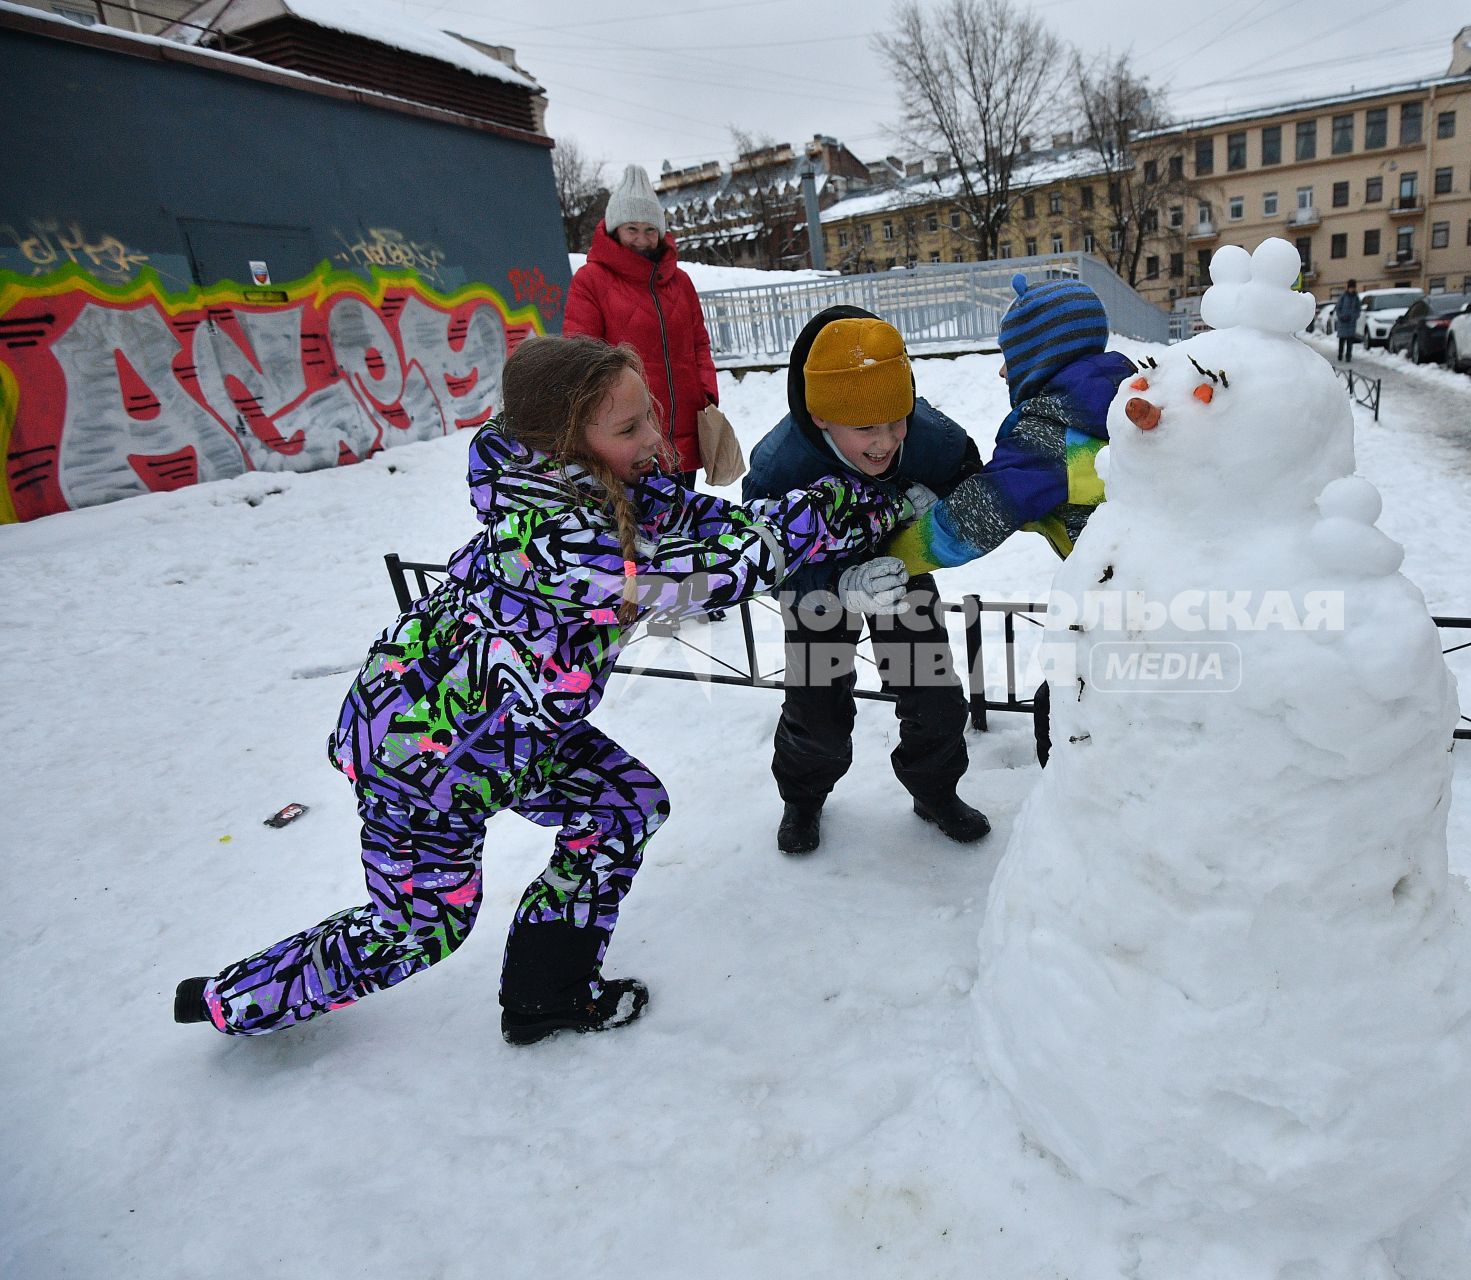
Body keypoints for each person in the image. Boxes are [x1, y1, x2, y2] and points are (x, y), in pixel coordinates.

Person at [172, 336, 912, 1046]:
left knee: (624, 806)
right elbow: (715, 570)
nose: (656, 436)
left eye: (648, 412)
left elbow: (706, 523)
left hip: (510, 729)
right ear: (566, 443)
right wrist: (873, 512)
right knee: (422, 929)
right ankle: (235, 1000)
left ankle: (544, 997)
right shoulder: (551, 544)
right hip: (423, 760)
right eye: (631, 426)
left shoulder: (609, 484)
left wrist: (866, 506)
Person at [743, 309, 990, 857]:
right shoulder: (781, 464)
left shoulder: (927, 435)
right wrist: (835, 586)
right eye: (866, 429)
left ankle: (934, 788)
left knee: (935, 695)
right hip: (819, 584)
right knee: (817, 708)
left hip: (900, 569)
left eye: (896, 421)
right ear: (822, 417)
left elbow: (973, 481)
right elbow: (764, 554)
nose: (886, 442)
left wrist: (936, 518)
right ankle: (803, 796)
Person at [884, 275, 1136, 766]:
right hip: (1179, 591)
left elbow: (970, 525)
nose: (1002, 371)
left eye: (1010, 353)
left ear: (1040, 356)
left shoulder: (1051, 431)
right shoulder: (1128, 398)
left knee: (1064, 713)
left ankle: (1071, 810)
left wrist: (892, 554)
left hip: (1122, 616)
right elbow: (1060, 495)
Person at [564, 164, 718, 485]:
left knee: (682, 521)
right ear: (615, 229)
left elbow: (699, 343)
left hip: (685, 429)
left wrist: (707, 394)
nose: (642, 239)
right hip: (628, 433)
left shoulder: (680, 282)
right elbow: (580, 358)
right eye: (632, 228)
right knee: (638, 526)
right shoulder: (591, 281)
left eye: (650, 230)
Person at [1334, 279, 1362, 362]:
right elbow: (1338, 308)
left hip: (1351, 323)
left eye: (1353, 288)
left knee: (1350, 341)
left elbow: (1358, 309)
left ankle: (1348, 356)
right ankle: (1340, 354)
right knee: (1342, 340)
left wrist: (1353, 317)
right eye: (1351, 288)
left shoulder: (1356, 298)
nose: (1352, 289)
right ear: (1348, 288)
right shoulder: (1343, 297)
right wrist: (1341, 316)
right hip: (1343, 322)